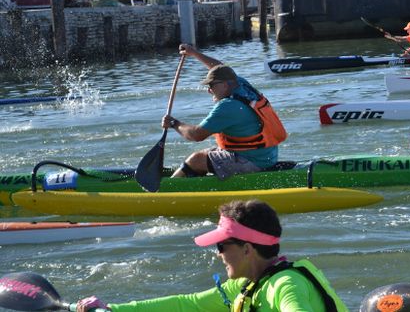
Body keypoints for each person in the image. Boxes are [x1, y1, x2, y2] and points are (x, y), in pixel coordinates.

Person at [76, 200, 349, 312]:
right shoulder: (248, 285)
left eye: (221, 247)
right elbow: (188, 304)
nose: (218, 254)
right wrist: (113, 309)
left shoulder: (286, 285)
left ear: (246, 248)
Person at [162, 44, 287, 179]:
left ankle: (167, 191)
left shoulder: (228, 106)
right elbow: (220, 68)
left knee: (196, 159)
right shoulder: (243, 86)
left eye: (211, 85)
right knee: (207, 153)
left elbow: (197, 135)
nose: (209, 90)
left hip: (253, 162)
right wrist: (194, 53)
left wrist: (174, 123)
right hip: (267, 157)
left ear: (225, 85)